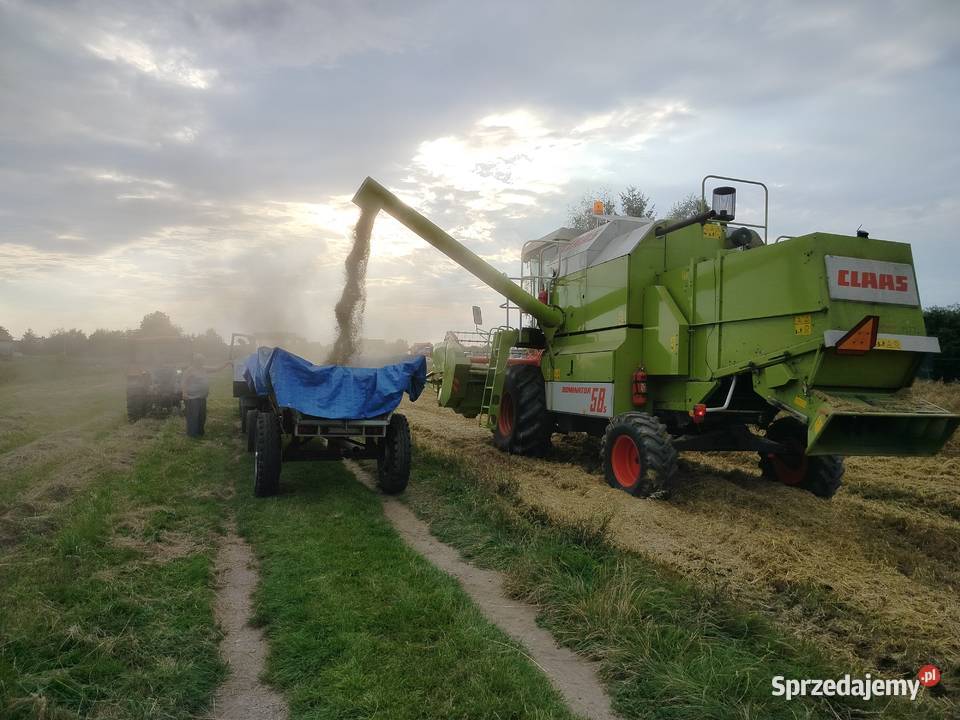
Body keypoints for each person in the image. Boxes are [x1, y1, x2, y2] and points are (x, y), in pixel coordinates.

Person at [182, 354, 230, 437]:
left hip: (202, 397)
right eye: (199, 361)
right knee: (193, 416)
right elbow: (184, 382)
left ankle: (200, 432)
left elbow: (216, 369)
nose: (201, 362)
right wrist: (184, 393)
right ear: (195, 361)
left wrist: (226, 363)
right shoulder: (189, 370)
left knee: (202, 416)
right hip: (192, 397)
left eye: (202, 361)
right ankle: (192, 434)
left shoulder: (203, 369)